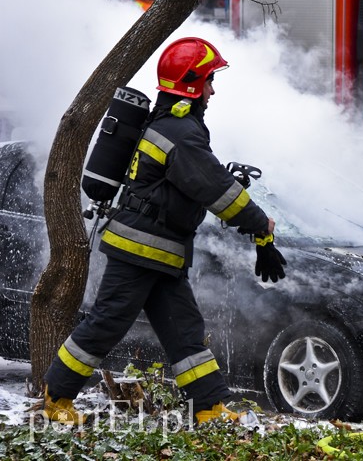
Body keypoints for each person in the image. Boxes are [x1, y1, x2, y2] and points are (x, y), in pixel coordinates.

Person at [42, 37, 288, 425]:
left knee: (184, 332)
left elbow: (194, 181)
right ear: (191, 84)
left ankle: (208, 408)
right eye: (208, 80)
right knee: (107, 324)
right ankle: (56, 398)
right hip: (140, 249)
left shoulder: (172, 125)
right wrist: (262, 227)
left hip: (160, 252)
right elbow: (214, 189)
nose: (212, 89)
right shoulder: (180, 132)